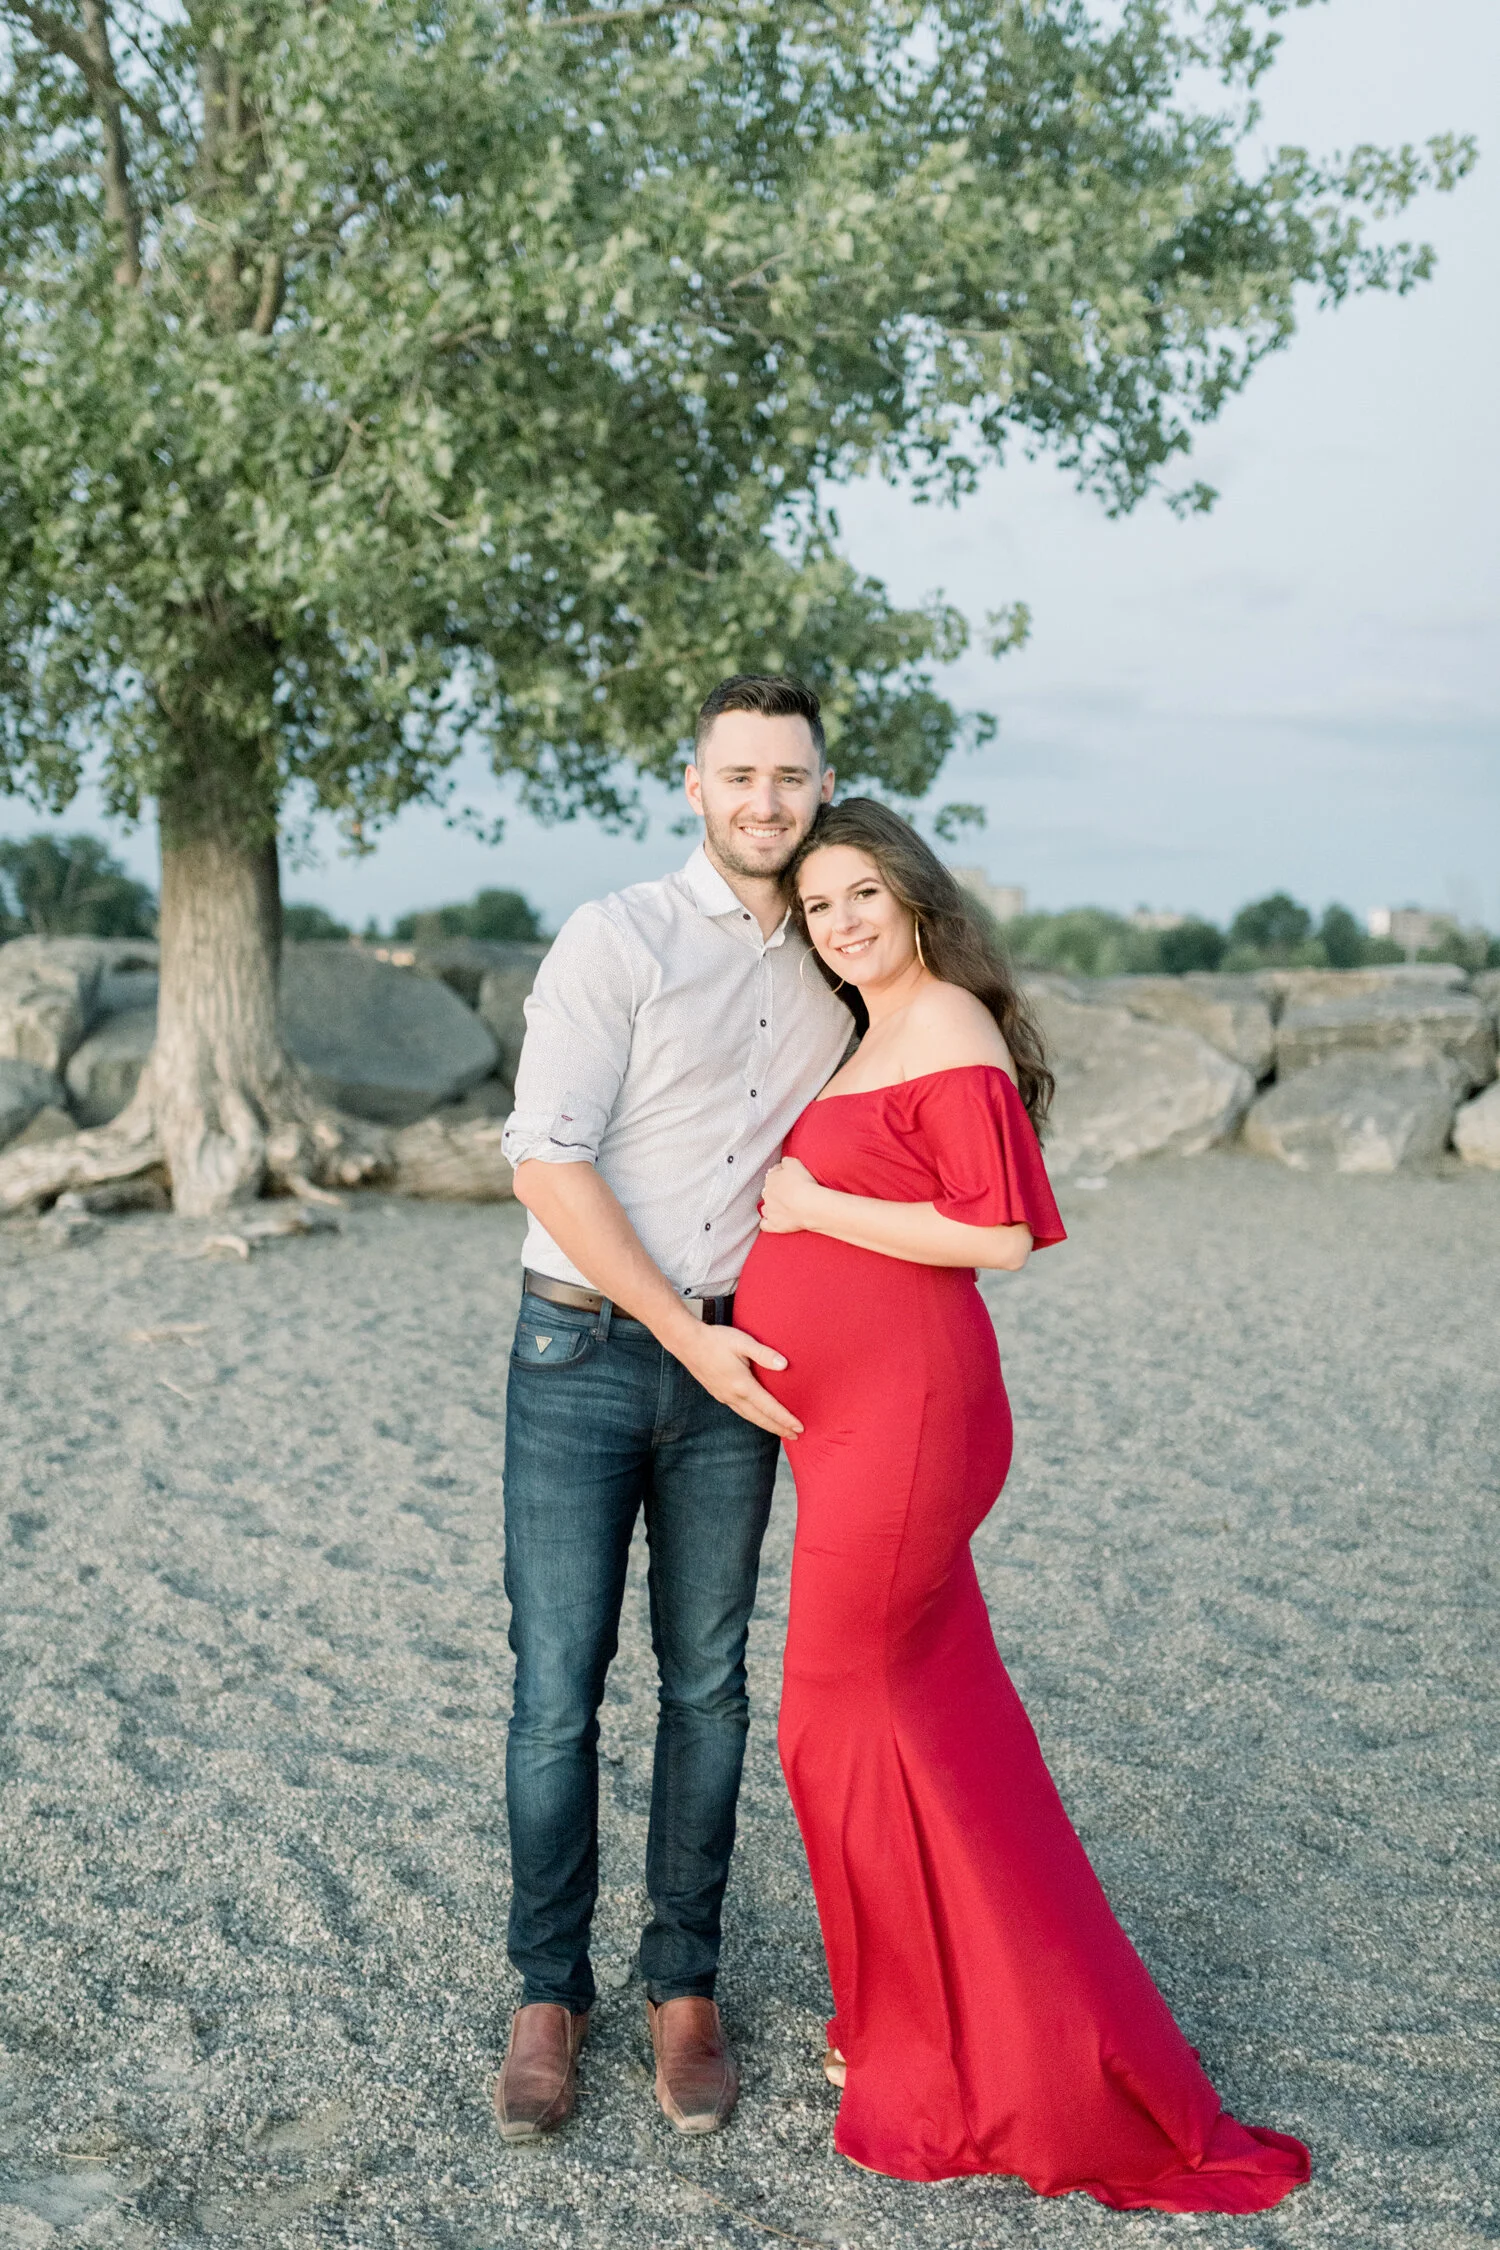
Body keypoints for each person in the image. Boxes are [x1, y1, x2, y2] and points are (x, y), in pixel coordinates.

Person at [733, 798, 1311, 2214]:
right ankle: (904, 2019)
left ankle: (967, 2053)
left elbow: (999, 1231)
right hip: (854, 1423)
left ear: (917, 895)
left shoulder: (950, 1029)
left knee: (829, 1718)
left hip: (914, 1423)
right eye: (820, 907)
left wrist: (810, 1212)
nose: (844, 922)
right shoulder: (874, 1031)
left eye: (863, 893)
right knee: (927, 1725)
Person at [493, 674, 851, 2143]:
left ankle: (684, 1985)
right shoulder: (616, 935)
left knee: (707, 1682)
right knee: (554, 1689)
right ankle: (546, 1992)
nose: (766, 799)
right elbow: (544, 1161)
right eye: (741, 773)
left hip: (741, 1372)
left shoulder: (841, 960)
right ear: (692, 784)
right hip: (581, 1353)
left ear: (823, 788)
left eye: (792, 775)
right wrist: (679, 1336)